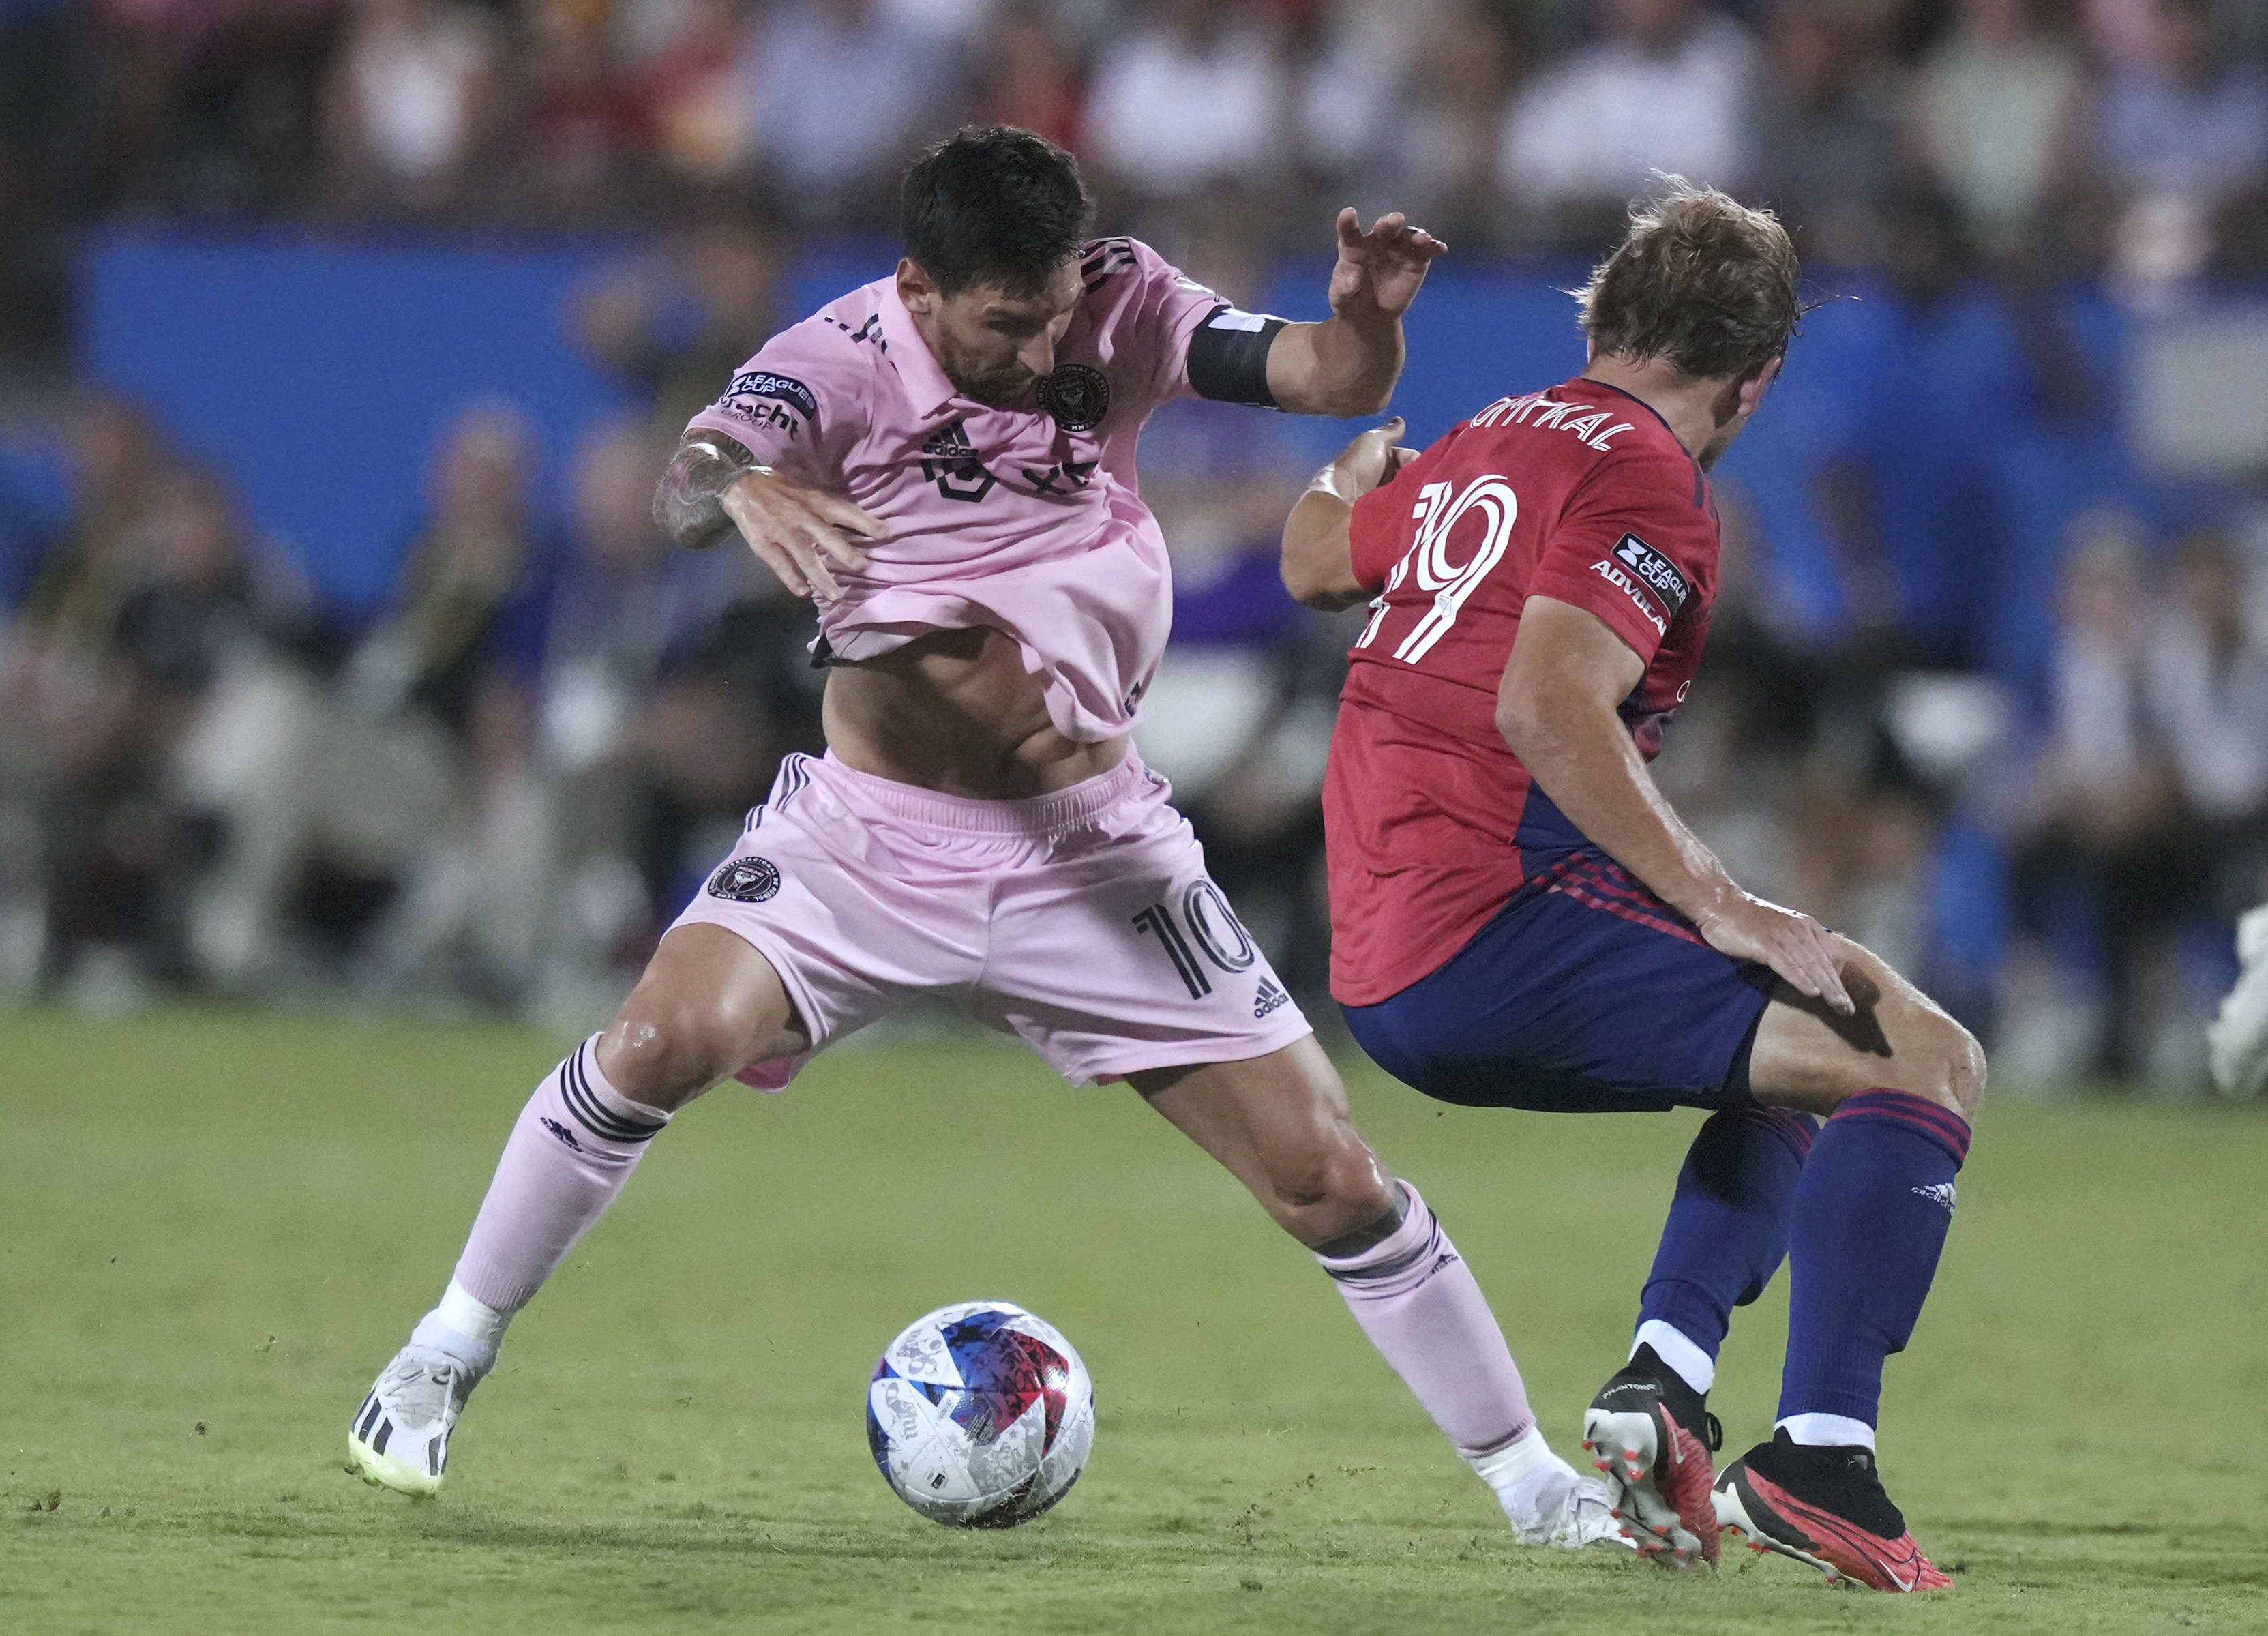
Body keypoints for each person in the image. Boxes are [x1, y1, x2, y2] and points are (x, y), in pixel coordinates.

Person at [344, 125, 1625, 1553]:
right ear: (920, 288)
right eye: (1006, 325)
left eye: (1056, 309)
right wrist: (745, 485)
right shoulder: (835, 358)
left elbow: (1323, 381)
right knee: (650, 1048)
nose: (1040, 348)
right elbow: (689, 476)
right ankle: (441, 1356)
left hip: (1094, 851)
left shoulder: (1119, 300)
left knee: (1329, 1175)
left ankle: (1536, 1490)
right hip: (869, 841)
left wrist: (1368, 324)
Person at [1279, 179, 1984, 1592]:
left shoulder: (1492, 436)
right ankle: (1821, 1458)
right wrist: (1725, 901)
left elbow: (1312, 564)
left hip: (1381, 948)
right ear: (1760, 378)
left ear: (1603, 315)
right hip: (1490, 919)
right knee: (1926, 1054)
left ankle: (1661, 1385)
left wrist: (1340, 481)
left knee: (1797, 1061)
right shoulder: (1651, 473)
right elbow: (1551, 708)